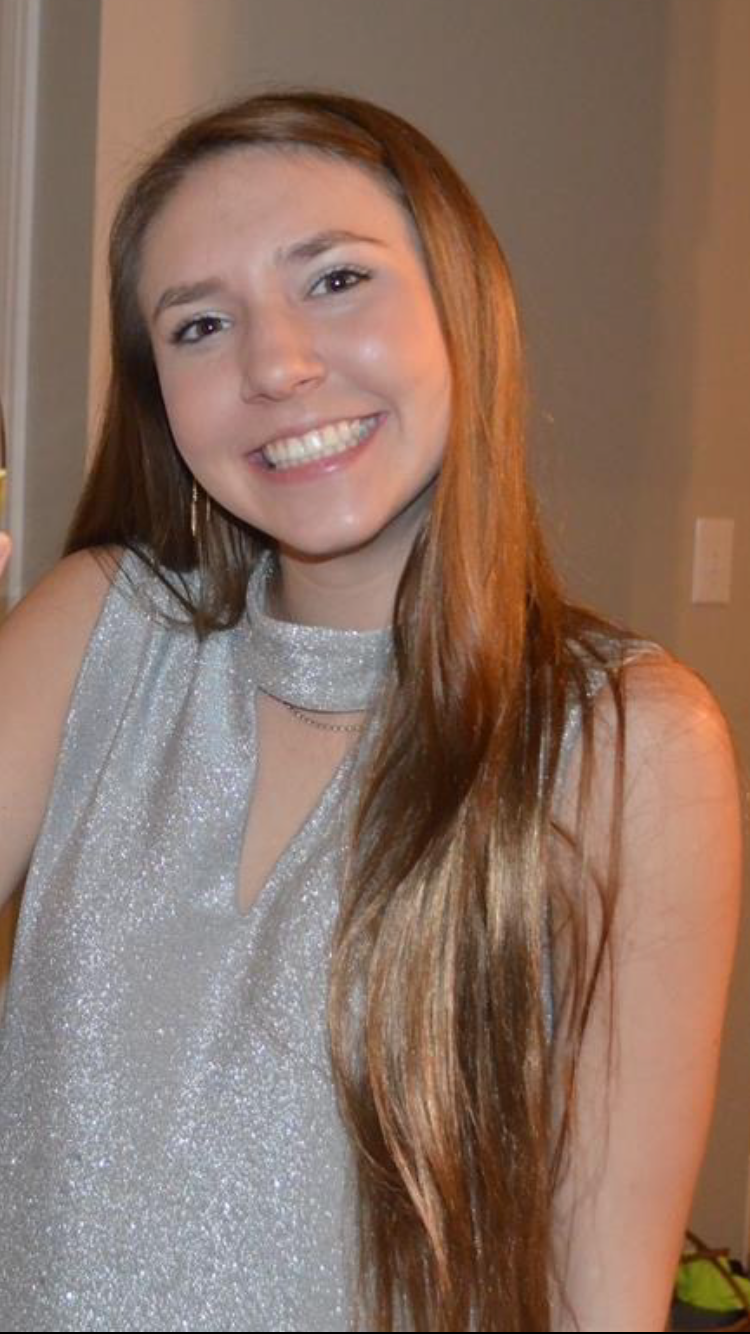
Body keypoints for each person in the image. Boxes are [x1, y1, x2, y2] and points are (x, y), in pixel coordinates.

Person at [0, 86, 743, 1334]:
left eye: (336, 279)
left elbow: (600, 1293)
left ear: (462, 305)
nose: (276, 364)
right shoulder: (97, 633)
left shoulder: (627, 742)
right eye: (199, 324)